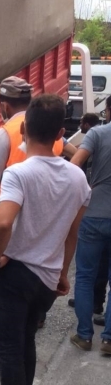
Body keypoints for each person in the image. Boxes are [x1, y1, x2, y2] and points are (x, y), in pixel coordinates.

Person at [0, 94, 90, 385]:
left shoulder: (19, 174)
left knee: (9, 347)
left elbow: (4, 222)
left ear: (23, 128)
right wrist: (62, 273)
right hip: (46, 278)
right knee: (25, 342)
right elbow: (72, 233)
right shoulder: (77, 179)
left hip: (15, 275)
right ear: (60, 133)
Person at [0, 76, 63, 369]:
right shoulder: (52, 135)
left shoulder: (5, 134)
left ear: (4, 105)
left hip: (1, 224)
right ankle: (31, 325)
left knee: (0, 292)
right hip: (39, 222)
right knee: (30, 281)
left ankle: (1, 353)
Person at [69, 95, 111, 354]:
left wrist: (86, 189)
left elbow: (74, 166)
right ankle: (109, 340)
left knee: (85, 276)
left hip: (94, 213)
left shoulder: (96, 134)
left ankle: (84, 336)